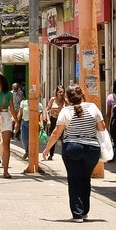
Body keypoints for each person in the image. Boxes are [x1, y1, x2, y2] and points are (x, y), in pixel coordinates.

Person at [41, 84, 105, 221]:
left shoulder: (66, 111)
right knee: (85, 178)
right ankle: (84, 211)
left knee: (74, 179)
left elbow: (56, 133)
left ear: (68, 98)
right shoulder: (93, 108)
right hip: (92, 149)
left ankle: (77, 213)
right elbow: (102, 127)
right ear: (82, 95)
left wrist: (47, 149)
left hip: (72, 148)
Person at [17, 95, 44, 160]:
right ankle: (27, 150)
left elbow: (40, 115)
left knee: (32, 140)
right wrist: (16, 123)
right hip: (24, 123)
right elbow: (20, 113)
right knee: (24, 139)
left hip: (34, 123)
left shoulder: (39, 104)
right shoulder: (23, 102)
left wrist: (41, 124)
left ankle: (29, 153)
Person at [45, 86, 68, 160]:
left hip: (62, 121)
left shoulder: (65, 101)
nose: (62, 93)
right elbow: (47, 110)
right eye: (60, 92)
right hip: (53, 119)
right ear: (57, 93)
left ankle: (65, 154)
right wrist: (48, 120)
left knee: (63, 138)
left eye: (63, 92)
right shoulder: (53, 99)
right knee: (53, 136)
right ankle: (51, 154)